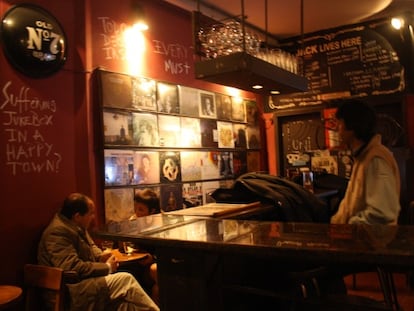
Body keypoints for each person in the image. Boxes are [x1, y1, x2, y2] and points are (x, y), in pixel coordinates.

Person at [37, 192, 159, 311]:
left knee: (125, 305)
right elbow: (71, 267)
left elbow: (92, 247)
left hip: (84, 282)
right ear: (77, 216)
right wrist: (107, 267)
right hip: (70, 291)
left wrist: (102, 256)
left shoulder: (75, 225)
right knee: (125, 279)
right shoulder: (57, 232)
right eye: (91, 214)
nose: (93, 217)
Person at [330, 99, 401, 225]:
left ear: (351, 126)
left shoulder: (375, 159)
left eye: (339, 124)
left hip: (371, 242)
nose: (337, 130)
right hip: (360, 241)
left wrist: (349, 228)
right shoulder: (363, 156)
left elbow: (381, 214)